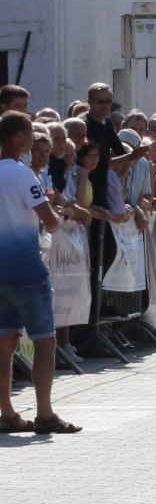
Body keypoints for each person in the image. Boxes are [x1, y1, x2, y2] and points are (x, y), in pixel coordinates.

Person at [0, 111, 81, 434]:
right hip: (27, 269)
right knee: (45, 340)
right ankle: (45, 413)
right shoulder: (22, 174)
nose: (34, 140)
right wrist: (54, 215)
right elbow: (49, 221)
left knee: (4, 342)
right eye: (30, 134)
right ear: (18, 138)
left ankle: (6, 411)